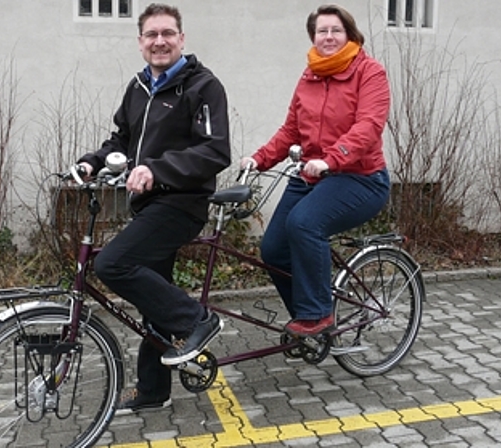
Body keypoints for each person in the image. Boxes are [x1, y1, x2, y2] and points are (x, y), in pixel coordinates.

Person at [77, 3, 231, 414]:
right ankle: (152, 391)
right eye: (151, 35)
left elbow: (215, 151)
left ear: (182, 39)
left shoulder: (203, 86)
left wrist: (155, 170)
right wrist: (93, 160)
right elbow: (122, 140)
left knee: (112, 264)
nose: (159, 41)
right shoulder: (138, 87)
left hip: (183, 202)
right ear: (140, 42)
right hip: (148, 206)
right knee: (151, 296)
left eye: (167, 33)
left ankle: (197, 320)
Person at [241, 4, 391, 337]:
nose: (328, 37)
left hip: (360, 178)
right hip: (312, 176)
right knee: (273, 249)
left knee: (305, 222)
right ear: (313, 37)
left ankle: (318, 314)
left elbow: (368, 126)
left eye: (335, 30)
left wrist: (332, 158)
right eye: (322, 31)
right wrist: (258, 159)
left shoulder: (370, 72)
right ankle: (306, 318)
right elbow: (291, 130)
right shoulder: (309, 76)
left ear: (349, 34)